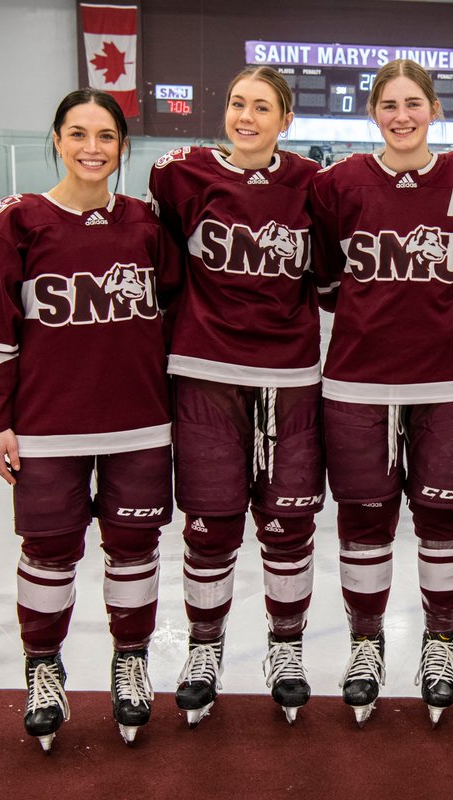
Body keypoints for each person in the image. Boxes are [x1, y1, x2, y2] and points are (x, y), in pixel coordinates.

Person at [0, 89, 180, 751]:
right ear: (56, 139)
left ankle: (131, 661)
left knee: (134, 552)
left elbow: (175, 314)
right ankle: (43, 668)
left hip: (139, 425)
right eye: (78, 133)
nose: (92, 148)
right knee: (49, 555)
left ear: (121, 147)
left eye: (106, 137)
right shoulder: (14, 224)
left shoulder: (146, 223)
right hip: (48, 428)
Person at [309, 59, 453, 727]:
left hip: (450, 380)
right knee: (364, 521)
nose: (401, 115)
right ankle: (366, 645)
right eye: (388, 104)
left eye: (413, 102)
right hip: (357, 379)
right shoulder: (338, 184)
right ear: (372, 113)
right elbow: (327, 280)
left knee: (444, 521)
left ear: (434, 109)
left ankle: (440, 645)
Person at [147, 66, 324, 726]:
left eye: (261, 107)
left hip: (289, 376)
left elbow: (330, 277)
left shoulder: (313, 186)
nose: (246, 115)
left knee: (288, 524)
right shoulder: (181, 176)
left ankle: (286, 649)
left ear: (286, 120)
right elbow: (159, 267)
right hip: (206, 372)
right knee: (211, 524)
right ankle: (204, 650)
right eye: (236, 102)